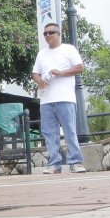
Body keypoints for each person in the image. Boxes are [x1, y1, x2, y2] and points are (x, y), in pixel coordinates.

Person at [32, 22, 86, 173]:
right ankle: (54, 164)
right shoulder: (41, 54)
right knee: (49, 133)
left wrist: (61, 73)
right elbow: (35, 73)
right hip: (46, 100)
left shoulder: (68, 49)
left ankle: (75, 161)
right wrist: (39, 80)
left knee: (69, 130)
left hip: (65, 98)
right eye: (45, 33)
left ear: (58, 33)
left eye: (51, 32)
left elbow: (80, 67)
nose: (48, 35)